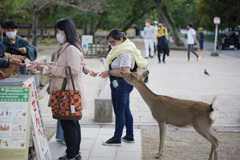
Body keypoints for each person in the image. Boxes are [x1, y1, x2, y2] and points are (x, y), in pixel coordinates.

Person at [26, 18, 97, 160]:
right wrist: (38, 65)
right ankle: (74, 153)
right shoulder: (66, 46)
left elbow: (74, 70)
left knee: (69, 124)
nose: (57, 34)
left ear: (64, 32)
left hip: (68, 93)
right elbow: (58, 64)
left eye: (58, 31)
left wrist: (52, 69)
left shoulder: (70, 48)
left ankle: (72, 154)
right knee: (72, 123)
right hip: (67, 91)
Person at [99, 29, 148, 145]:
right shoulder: (120, 49)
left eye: (113, 42)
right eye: (109, 42)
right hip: (120, 83)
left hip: (122, 83)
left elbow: (125, 71)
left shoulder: (126, 52)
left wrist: (109, 72)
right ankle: (129, 136)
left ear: (121, 39)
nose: (111, 44)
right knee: (125, 109)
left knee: (119, 111)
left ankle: (117, 138)